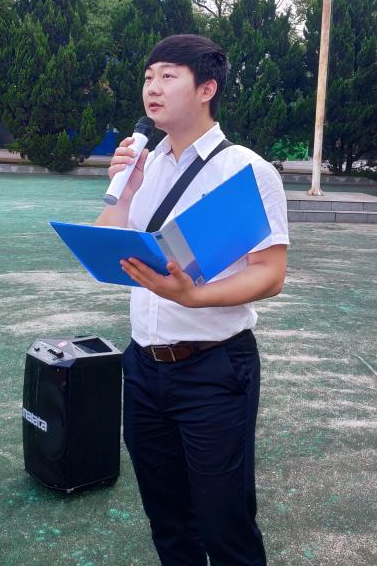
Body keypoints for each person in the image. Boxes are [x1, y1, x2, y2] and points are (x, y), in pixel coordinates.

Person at [94, 34, 289, 566]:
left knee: (224, 522)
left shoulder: (246, 170)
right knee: (167, 518)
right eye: (148, 77)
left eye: (168, 76)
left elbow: (270, 274)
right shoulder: (147, 164)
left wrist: (195, 296)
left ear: (207, 88)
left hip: (213, 371)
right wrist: (124, 191)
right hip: (143, 366)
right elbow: (111, 242)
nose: (152, 89)